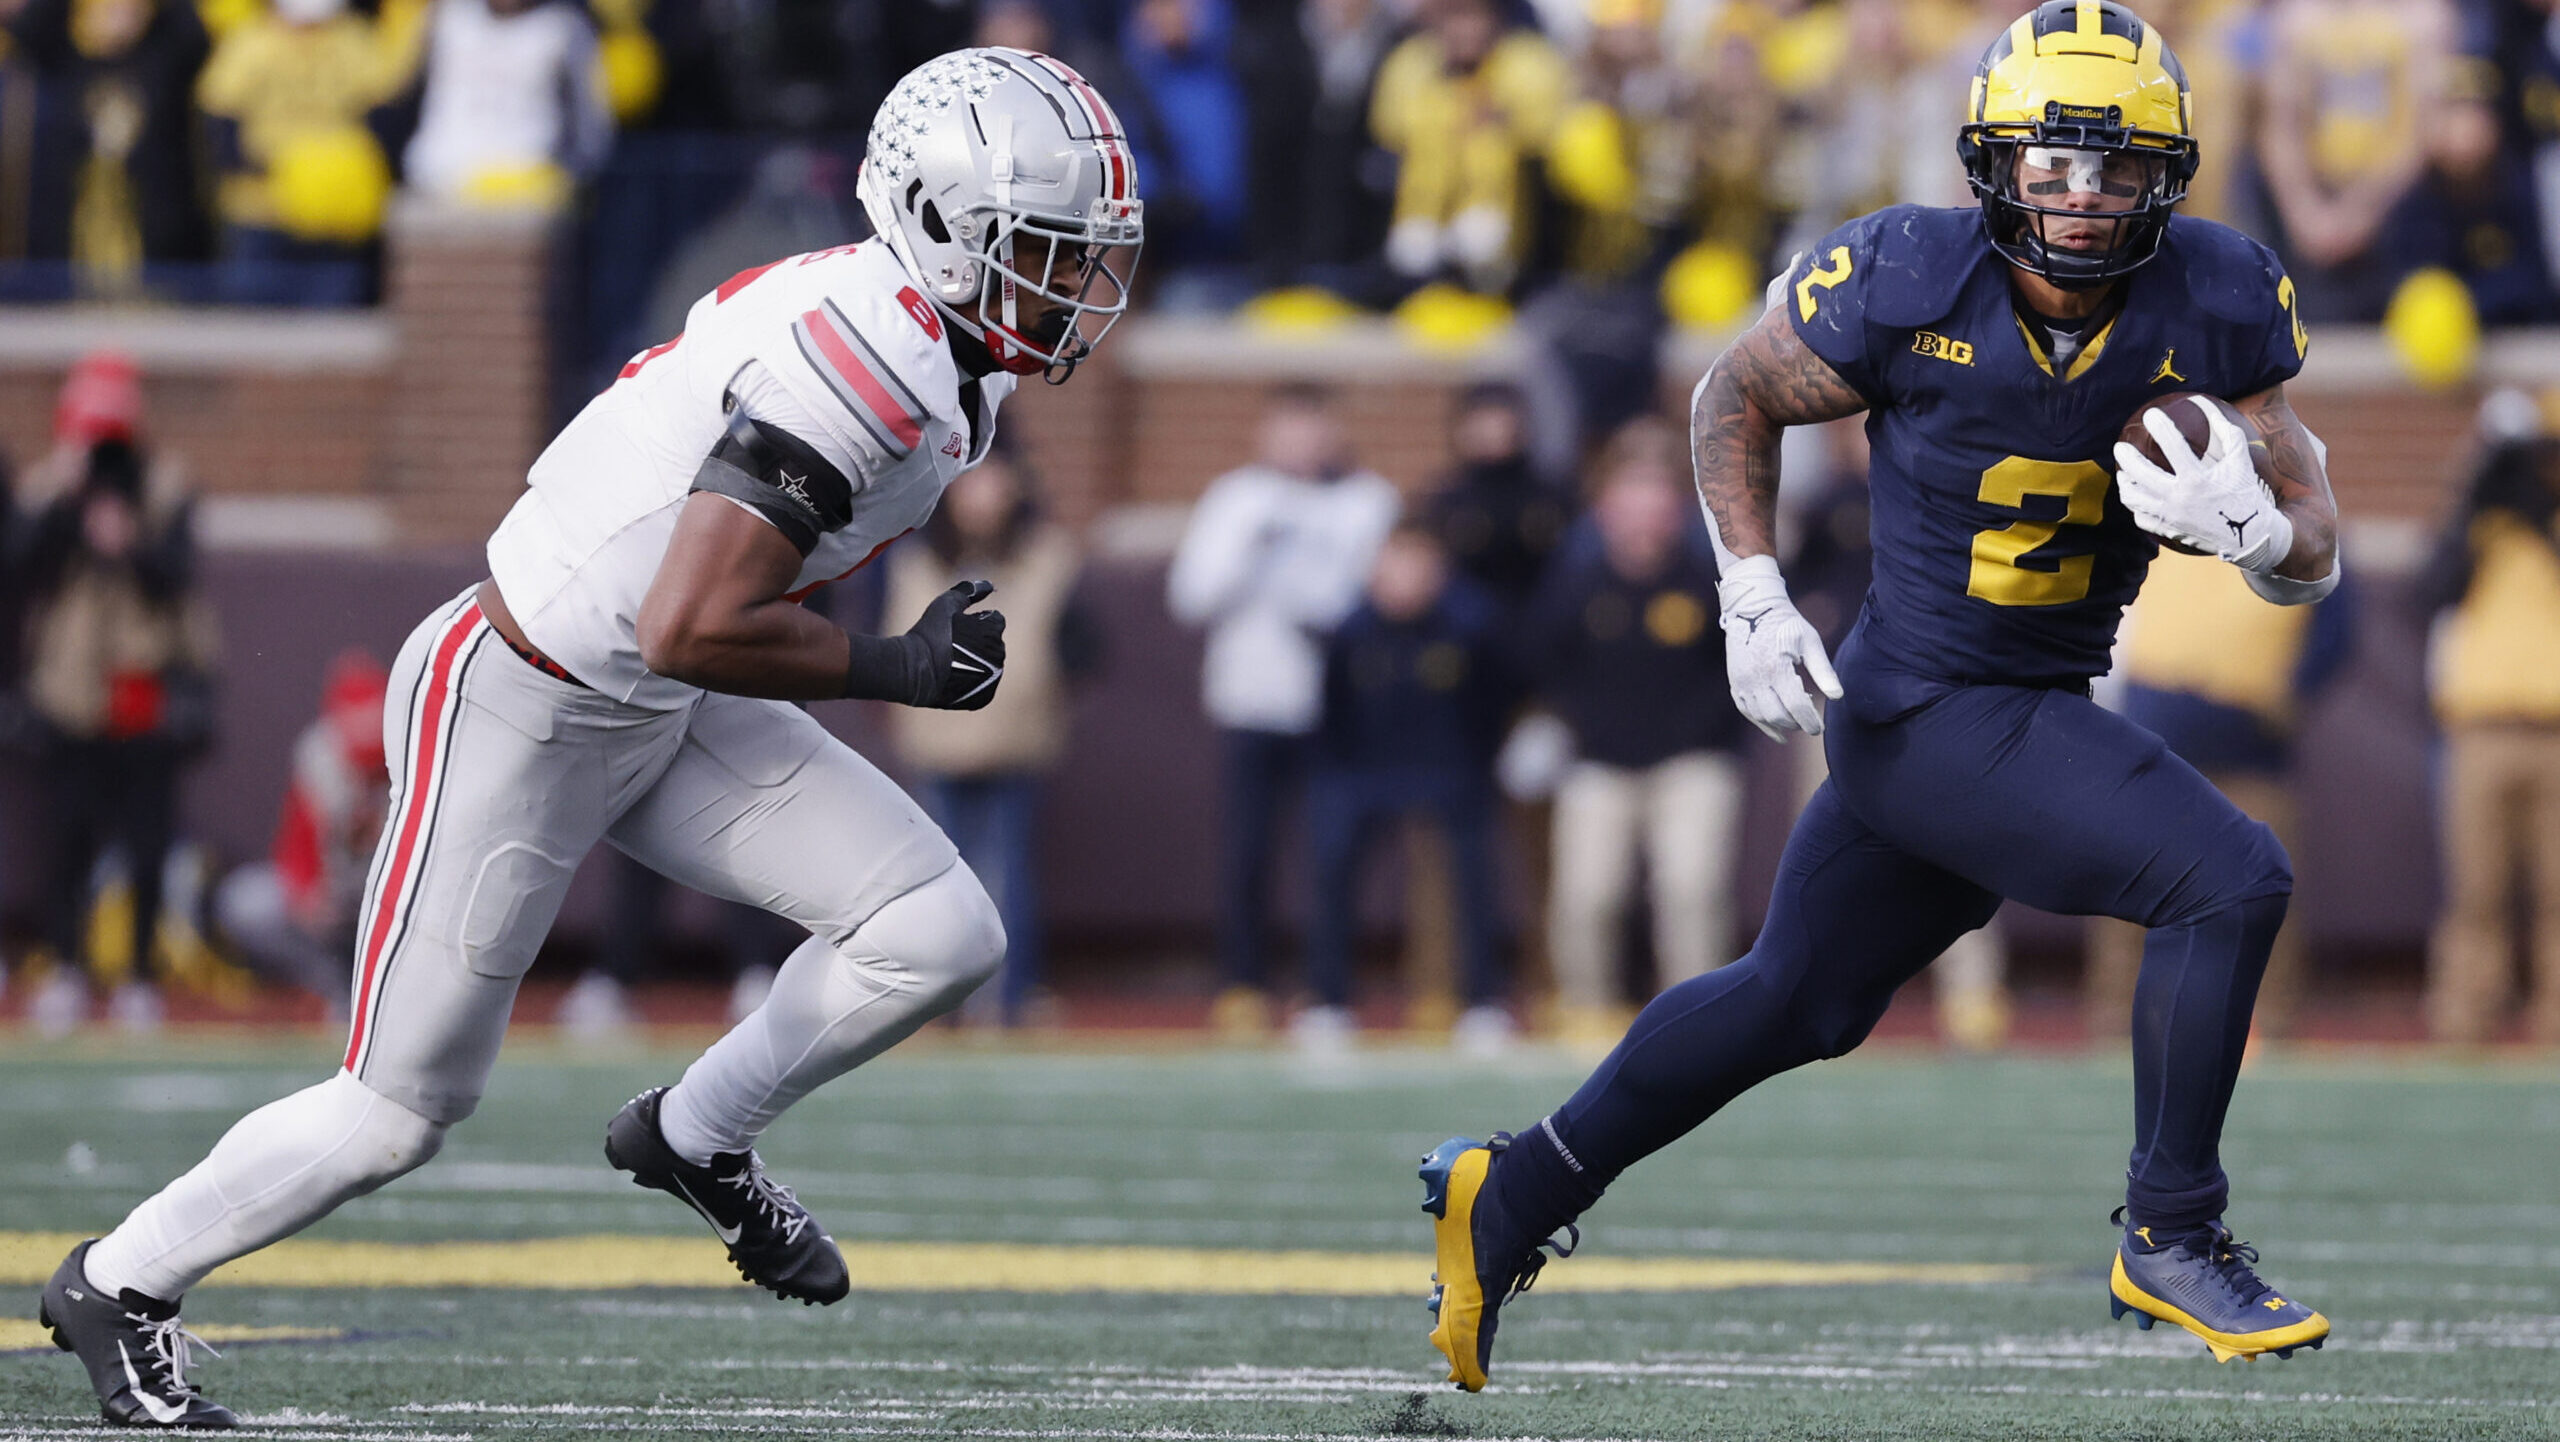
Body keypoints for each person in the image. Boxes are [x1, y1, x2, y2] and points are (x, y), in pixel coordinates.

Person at [35, 47, 1143, 1429]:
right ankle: (118, 1284)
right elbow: (689, 619)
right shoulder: (864, 364)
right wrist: (893, 667)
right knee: (396, 1111)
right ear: (938, 223)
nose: (1072, 285)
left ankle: (696, 1133)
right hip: (527, 695)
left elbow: (687, 628)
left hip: (652, 694)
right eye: (1042, 248)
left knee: (936, 928)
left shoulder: (926, 340)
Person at [1417, 3, 2342, 1394]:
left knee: (1797, 998)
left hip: (2019, 701)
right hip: (1924, 705)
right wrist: (1749, 586)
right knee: (2231, 879)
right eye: (2053, 164)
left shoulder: (2214, 298)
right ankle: (2173, 1228)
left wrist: (2263, 539)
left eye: (2116, 169)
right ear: (1993, 162)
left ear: (2171, 177)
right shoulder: (1906, 271)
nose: (2082, 200)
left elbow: (2315, 526)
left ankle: (1513, 1186)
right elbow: (1734, 393)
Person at [1166, 385, 1397, 1038]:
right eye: (1287, 432)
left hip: (1337, 703)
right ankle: (1244, 983)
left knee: (1333, 852)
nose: (1300, 446)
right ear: (1265, 436)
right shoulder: (1237, 497)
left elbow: (1378, 596)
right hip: (1251, 699)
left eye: (1312, 431)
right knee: (1248, 850)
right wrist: (1253, 549)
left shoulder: (1368, 501)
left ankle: (1327, 989)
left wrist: (1320, 607)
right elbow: (1192, 596)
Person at [15, 349, 216, 1036]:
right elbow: (20, 570)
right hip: (71, 694)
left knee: (148, 844)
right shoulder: (50, 487)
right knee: (65, 841)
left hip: (143, 690)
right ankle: (66, 966)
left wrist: (128, 539)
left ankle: (139, 976)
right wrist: (70, 498)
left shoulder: (164, 486)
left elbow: (178, 579)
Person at [1525, 424, 1744, 1042]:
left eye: (1657, 496)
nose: (1645, 512)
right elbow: (1545, 661)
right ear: (1606, 507)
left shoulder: (1708, 578)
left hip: (1692, 763)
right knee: (1587, 895)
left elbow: (1733, 671)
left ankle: (1695, 1020)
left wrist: (1707, 735)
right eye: (1631, 495)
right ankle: (1587, 1010)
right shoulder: (1575, 582)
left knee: (1691, 889)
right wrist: (1575, 729)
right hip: (1598, 763)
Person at [886, 440, 1097, 1027]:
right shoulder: (916, 558)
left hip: (1017, 743)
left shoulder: (1047, 557)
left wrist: (1045, 691)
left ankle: (1010, 999)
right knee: (934, 881)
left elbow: (1083, 649)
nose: (983, 495)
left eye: (995, 481)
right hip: (936, 745)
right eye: (972, 482)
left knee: (1010, 877)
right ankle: (938, 1004)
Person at [1304, 520, 1512, 1052]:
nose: (1405, 578)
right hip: (1364, 771)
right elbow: (1332, 712)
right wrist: (1339, 774)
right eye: (1395, 564)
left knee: (1474, 876)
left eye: (1418, 565)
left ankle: (1482, 1004)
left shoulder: (1471, 625)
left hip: (1448, 767)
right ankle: (1328, 1003)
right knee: (1331, 860)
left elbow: (1495, 702)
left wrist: (1478, 761)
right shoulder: (1351, 630)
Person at [2413, 388, 2560, 1046]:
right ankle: (2464, 1022)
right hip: (2479, 732)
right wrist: (2480, 499)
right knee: (2477, 895)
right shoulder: (2479, 520)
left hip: (2554, 730)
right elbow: (2430, 592)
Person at [211, 649, 389, 1012]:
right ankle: (333, 983)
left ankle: (394, 992)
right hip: (336, 898)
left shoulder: (412, 758)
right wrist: (309, 895)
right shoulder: (320, 760)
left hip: (390, 896)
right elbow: (297, 850)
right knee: (246, 901)